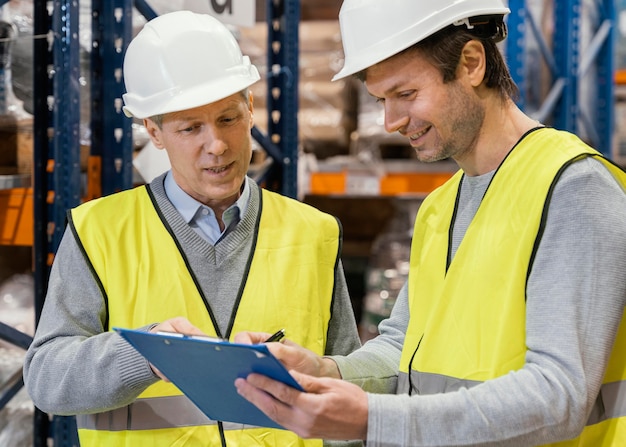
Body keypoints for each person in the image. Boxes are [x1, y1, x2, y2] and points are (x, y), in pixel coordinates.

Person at [233, 0, 626, 445]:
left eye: (406, 94)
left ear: (472, 63)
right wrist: (327, 370)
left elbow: (559, 396)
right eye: (381, 100)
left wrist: (373, 419)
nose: (391, 121)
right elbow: (402, 350)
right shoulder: (440, 206)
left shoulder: (573, 190)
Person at [23, 10, 362, 447]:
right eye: (190, 128)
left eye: (228, 119)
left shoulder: (313, 232)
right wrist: (145, 352)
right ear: (154, 132)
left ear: (252, 109)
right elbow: (48, 380)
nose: (217, 145)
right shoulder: (99, 232)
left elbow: (351, 386)